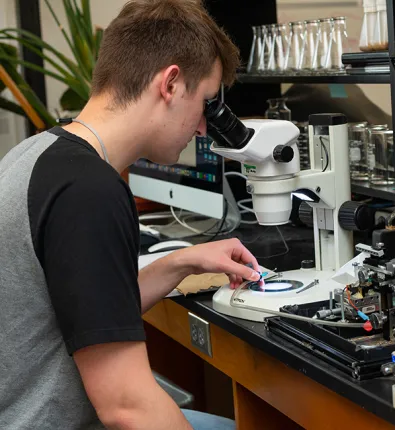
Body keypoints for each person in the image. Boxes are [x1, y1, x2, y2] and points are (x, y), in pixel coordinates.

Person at [0, 1, 261, 428]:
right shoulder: (89, 192)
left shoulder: (39, 153)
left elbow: (85, 313)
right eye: (205, 103)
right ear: (171, 84)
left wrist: (181, 262)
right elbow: (127, 408)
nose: (201, 128)